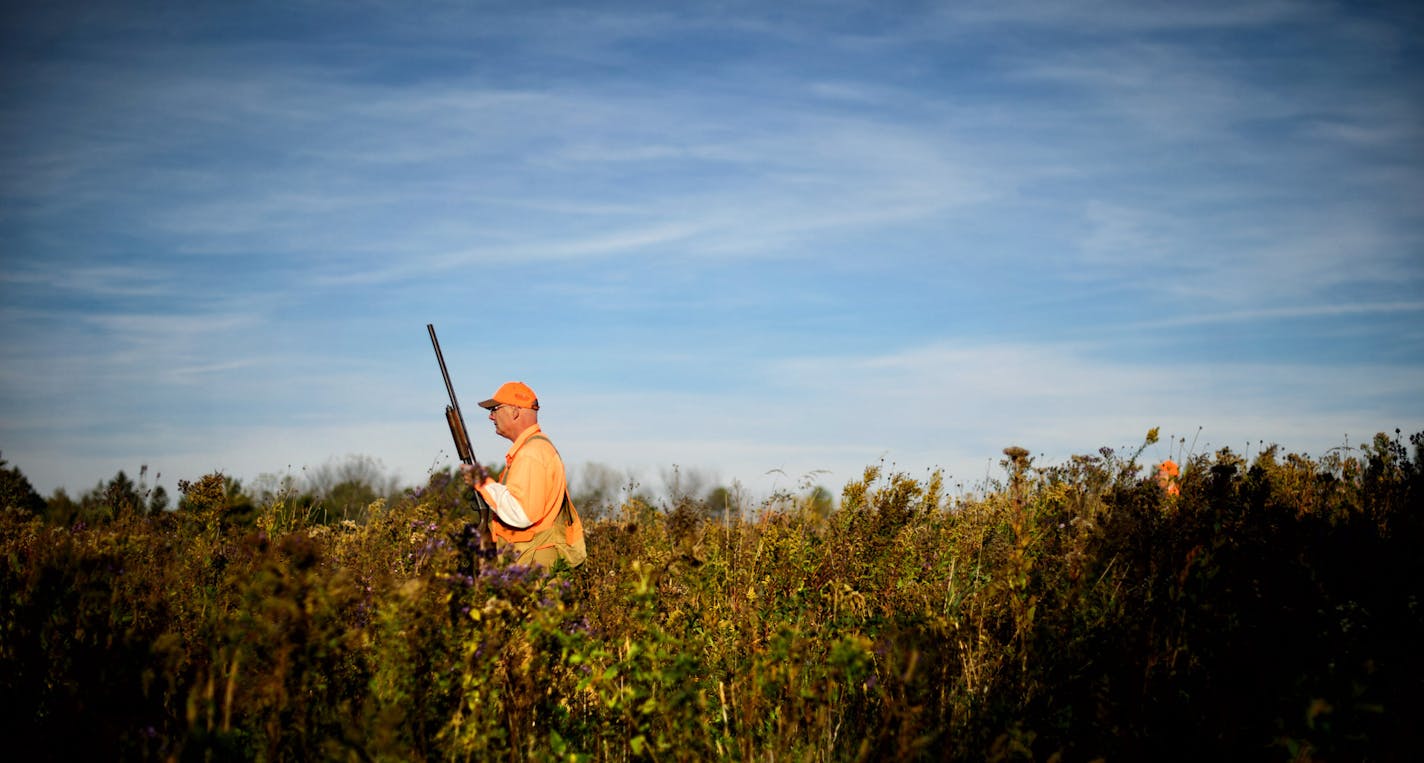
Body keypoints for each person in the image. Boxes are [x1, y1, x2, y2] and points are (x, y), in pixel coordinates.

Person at [460, 381, 586, 568]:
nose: (491, 416)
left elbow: (521, 513)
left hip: (532, 564)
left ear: (515, 411)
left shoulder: (531, 453)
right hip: (533, 558)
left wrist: (482, 481)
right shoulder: (535, 449)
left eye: (495, 409)